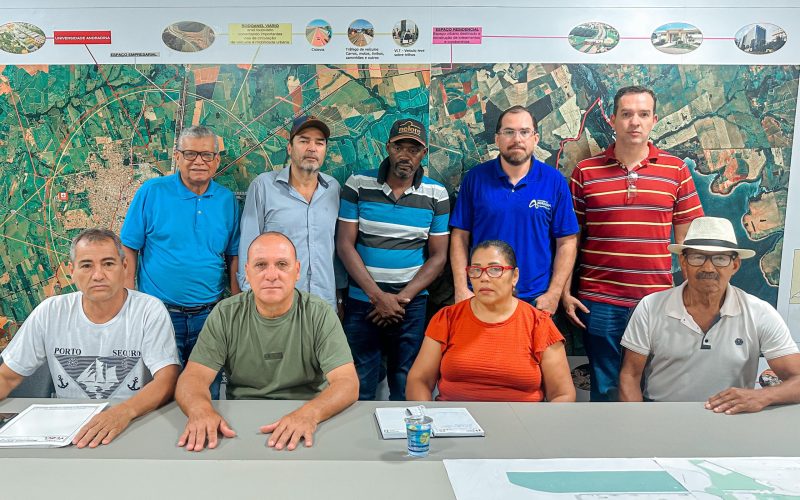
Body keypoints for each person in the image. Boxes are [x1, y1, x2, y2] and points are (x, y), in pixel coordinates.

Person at [563, 85, 704, 401]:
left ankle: (651, 449)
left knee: (657, 386)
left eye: (643, 114)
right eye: (626, 114)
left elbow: (688, 243)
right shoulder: (585, 172)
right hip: (599, 300)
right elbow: (570, 239)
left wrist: (691, 298)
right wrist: (564, 292)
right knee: (607, 386)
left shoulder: (676, 171)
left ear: (654, 120)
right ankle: (608, 449)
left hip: (657, 301)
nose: (634, 122)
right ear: (612, 119)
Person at [175, 232, 358, 452]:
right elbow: (193, 377)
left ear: (297, 270)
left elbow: (347, 383)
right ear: (247, 272)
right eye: (261, 265)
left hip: (309, 418)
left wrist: (309, 414)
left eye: (282, 264)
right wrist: (201, 410)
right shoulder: (226, 314)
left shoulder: (319, 314)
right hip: (241, 423)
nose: (271, 275)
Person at [0, 229, 180, 447]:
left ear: (124, 268)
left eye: (108, 264)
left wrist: (123, 412)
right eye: (86, 265)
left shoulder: (149, 310)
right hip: (68, 432)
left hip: (133, 422)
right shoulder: (50, 312)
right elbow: (7, 377)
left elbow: (167, 379)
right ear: (71, 271)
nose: (98, 275)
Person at [618, 217, 800, 413]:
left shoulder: (759, 313)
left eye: (720, 258)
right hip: (662, 418)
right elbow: (630, 376)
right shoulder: (650, 307)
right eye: (697, 257)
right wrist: (638, 426)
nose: (708, 268)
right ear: (683, 261)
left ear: (735, 265)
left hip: (731, 419)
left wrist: (762, 396)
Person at [120, 125, 240, 399]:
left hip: (210, 317)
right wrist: (132, 301)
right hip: (160, 315)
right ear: (177, 156)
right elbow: (129, 248)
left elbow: (234, 255)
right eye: (190, 153)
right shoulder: (152, 192)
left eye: (207, 155)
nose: (199, 161)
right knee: (157, 395)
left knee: (205, 394)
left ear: (217, 160)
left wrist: (235, 305)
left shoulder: (227, 200)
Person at [337, 118, 450, 401]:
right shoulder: (357, 184)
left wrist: (400, 300)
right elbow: (344, 244)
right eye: (400, 146)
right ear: (388, 147)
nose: (406, 155)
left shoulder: (436, 194)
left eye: (414, 149)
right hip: (363, 302)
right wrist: (378, 297)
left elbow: (438, 257)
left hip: (409, 307)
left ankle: (404, 443)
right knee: (360, 382)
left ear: (423, 154)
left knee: (406, 380)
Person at [407, 240, 575, 402]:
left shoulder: (538, 323)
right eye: (476, 270)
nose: (484, 278)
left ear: (514, 276)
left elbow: (562, 394)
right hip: (454, 422)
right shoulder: (447, 318)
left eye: (495, 269)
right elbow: (419, 380)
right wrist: (426, 420)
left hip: (521, 422)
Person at [450, 105, 579, 313]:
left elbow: (567, 242)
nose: (517, 139)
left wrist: (554, 294)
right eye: (509, 132)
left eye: (524, 132)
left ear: (535, 139)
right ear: (497, 139)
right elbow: (459, 237)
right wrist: (461, 289)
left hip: (536, 302)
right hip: (482, 297)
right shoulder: (475, 179)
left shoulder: (554, 181)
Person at [238, 116, 345, 312]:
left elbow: (335, 249)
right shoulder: (263, 187)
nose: (312, 148)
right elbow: (248, 247)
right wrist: (250, 300)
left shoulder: (333, 189)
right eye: (304, 141)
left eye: (319, 143)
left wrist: (338, 298)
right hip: (277, 306)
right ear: (289, 148)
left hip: (324, 306)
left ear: (325, 150)